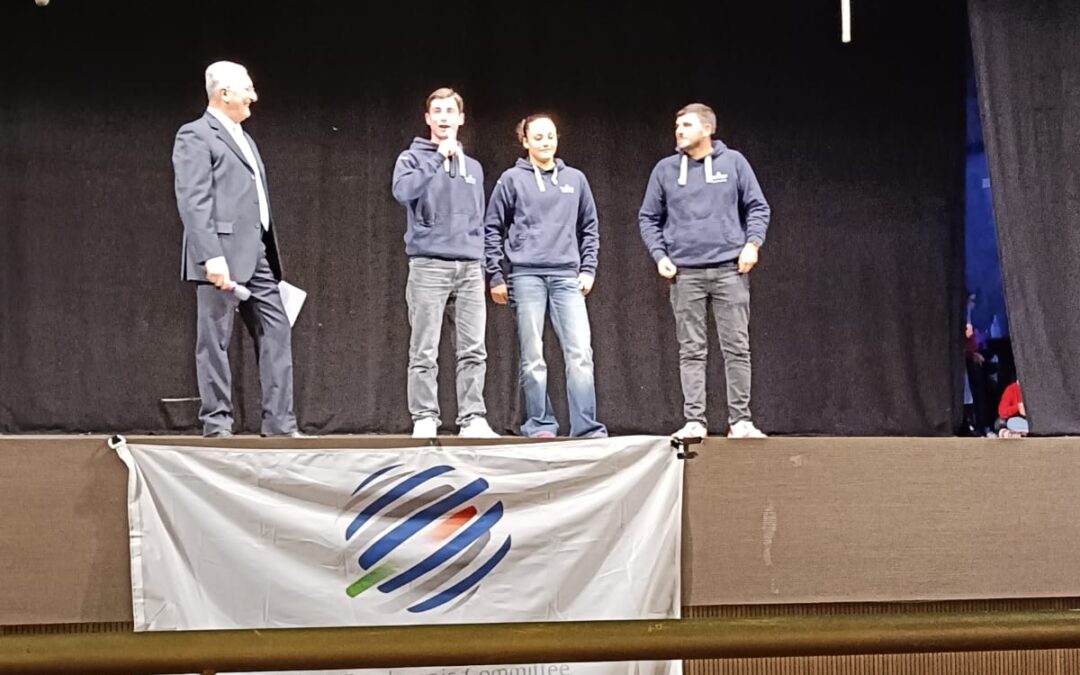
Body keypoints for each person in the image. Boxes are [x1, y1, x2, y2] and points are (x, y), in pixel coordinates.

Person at [172, 61, 304, 438]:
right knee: (214, 341)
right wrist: (210, 255)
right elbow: (193, 199)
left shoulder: (245, 137)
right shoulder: (196, 135)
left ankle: (280, 425)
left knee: (276, 330)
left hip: (256, 253)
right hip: (219, 254)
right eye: (247, 88)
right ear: (224, 93)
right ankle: (217, 425)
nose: (254, 96)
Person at [638, 103, 771, 439]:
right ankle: (695, 421)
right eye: (677, 125)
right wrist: (659, 255)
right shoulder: (665, 170)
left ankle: (740, 421)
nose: (678, 131)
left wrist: (752, 244)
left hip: (730, 270)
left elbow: (757, 206)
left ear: (707, 129)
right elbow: (648, 217)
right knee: (692, 349)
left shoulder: (734, 162)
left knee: (737, 347)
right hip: (685, 274)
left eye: (686, 125)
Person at [484, 113, 606, 438]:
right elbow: (492, 227)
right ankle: (540, 424)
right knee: (533, 356)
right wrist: (495, 274)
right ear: (525, 141)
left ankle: (587, 428)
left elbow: (590, 227)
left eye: (550, 135)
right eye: (537, 137)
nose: (545, 142)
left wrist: (589, 268)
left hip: (567, 276)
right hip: (526, 277)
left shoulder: (576, 179)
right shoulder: (511, 179)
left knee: (580, 353)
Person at [392, 88, 497, 439]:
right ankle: (424, 416)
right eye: (436, 111)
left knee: (473, 349)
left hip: (468, 267)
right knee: (424, 347)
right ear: (427, 118)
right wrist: (437, 158)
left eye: (450, 111)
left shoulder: (475, 168)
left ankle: (472, 418)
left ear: (461, 118)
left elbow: (480, 219)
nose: (443, 116)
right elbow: (403, 193)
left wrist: (482, 264)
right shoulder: (411, 158)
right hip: (428, 266)